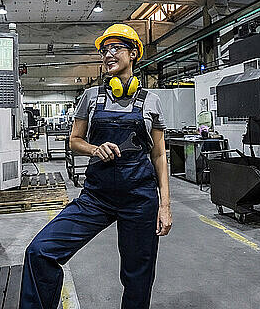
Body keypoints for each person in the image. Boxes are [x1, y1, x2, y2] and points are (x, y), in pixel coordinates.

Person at [19, 24, 172, 309]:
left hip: (140, 199)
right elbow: (74, 140)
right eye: (104, 50)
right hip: (96, 198)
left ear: (134, 53)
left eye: (115, 48)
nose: (108, 54)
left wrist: (164, 205)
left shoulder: (152, 101)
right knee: (41, 251)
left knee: (137, 277)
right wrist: (94, 148)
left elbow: (160, 156)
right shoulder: (91, 97)